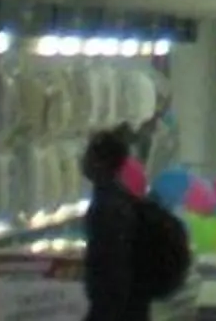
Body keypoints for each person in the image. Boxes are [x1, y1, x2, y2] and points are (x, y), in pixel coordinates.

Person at [81, 129, 149, 321]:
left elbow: (112, 266)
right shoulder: (117, 200)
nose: (83, 161)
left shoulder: (108, 206)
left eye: (88, 154)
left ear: (100, 161)